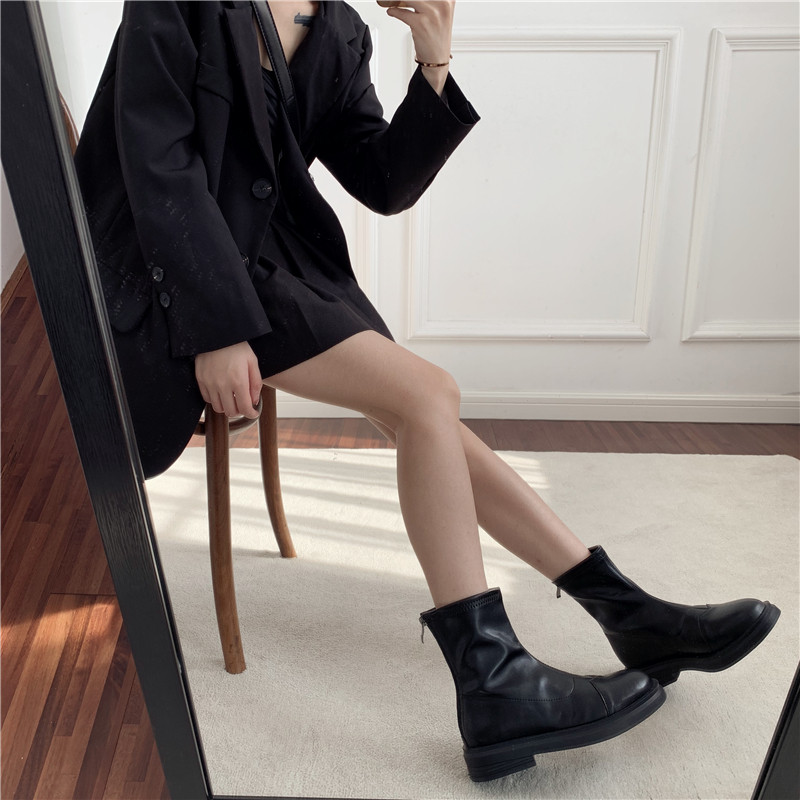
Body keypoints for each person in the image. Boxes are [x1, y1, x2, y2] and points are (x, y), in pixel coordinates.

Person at [74, 0, 780, 782]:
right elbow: (157, 164)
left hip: (276, 267)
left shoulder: (337, 29)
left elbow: (383, 181)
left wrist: (433, 63)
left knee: (424, 405)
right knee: (427, 395)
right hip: (168, 273)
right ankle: (499, 679)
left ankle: (623, 615)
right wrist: (215, 329)